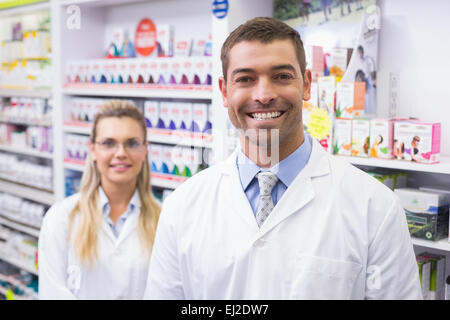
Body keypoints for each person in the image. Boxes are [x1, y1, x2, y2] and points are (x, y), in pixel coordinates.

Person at [144, 17, 422, 300]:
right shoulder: (182, 206)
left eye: (282, 76)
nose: (264, 95)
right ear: (224, 91)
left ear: (306, 84)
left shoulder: (375, 207)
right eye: (245, 79)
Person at [38, 100, 161, 299]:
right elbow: (52, 292)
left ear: (145, 149)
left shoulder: (163, 219)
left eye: (132, 143)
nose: (121, 153)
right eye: (108, 143)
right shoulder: (61, 218)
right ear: (93, 150)